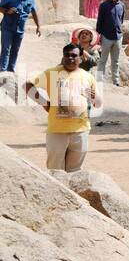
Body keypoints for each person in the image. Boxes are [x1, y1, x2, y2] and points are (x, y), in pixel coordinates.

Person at [25, 43, 98, 172]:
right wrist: (43, 102)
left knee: (75, 171)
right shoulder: (51, 73)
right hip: (57, 130)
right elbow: (27, 85)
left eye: (74, 55)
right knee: (55, 170)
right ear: (63, 57)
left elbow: (97, 103)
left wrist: (95, 98)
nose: (70, 58)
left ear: (80, 58)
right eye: (67, 55)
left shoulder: (88, 76)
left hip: (81, 130)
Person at [0, 0, 40, 72]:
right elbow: (0, 7)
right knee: (6, 49)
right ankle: (2, 70)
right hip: (7, 27)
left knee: (15, 50)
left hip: (20, 30)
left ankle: (11, 70)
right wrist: (7, 11)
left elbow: (34, 12)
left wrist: (38, 26)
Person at [95, 0, 126, 86]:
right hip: (106, 37)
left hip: (118, 37)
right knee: (103, 60)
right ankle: (99, 81)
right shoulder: (104, 5)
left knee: (115, 61)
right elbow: (99, 21)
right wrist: (98, 36)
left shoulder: (122, 5)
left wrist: (120, 32)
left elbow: (121, 20)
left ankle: (115, 81)